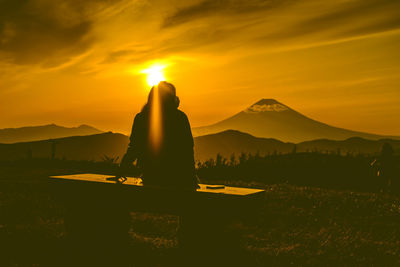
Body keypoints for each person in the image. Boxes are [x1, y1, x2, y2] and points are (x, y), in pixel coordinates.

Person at [119, 81, 198, 189]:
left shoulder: (141, 118)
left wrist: (122, 168)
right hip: (178, 178)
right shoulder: (180, 118)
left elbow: (134, 148)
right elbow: (187, 150)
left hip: (150, 175)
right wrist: (192, 177)